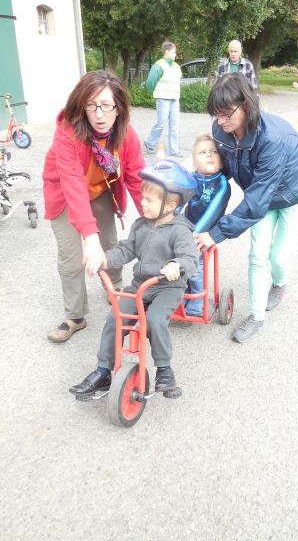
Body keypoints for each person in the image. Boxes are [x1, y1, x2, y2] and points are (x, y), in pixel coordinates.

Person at [195, 73, 298, 343]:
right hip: (261, 194)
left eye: (227, 114)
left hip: (293, 193)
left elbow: (255, 203)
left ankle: (280, 283)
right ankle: (256, 315)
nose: (221, 121)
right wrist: (199, 185)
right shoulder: (222, 130)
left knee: (279, 258)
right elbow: (224, 167)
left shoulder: (273, 139)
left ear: (246, 105)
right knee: (257, 255)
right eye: (217, 115)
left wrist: (216, 233)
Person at [69, 160, 199, 397]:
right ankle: (103, 371)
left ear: (171, 205)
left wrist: (176, 265)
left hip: (167, 287)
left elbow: (190, 258)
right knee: (115, 318)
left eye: (149, 200)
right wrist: (105, 259)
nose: (142, 202)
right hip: (141, 285)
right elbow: (127, 249)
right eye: (142, 197)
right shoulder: (141, 225)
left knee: (155, 319)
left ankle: (164, 369)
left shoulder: (180, 230)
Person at [43, 69, 145, 343]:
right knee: (71, 254)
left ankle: (117, 292)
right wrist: (89, 237)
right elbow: (73, 184)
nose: (99, 114)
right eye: (92, 105)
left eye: (106, 105)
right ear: (82, 106)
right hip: (65, 191)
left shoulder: (126, 134)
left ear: (118, 107)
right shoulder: (67, 133)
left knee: (109, 243)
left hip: (99, 187)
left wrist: (154, 217)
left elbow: (137, 178)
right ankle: (75, 316)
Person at [184, 134, 231, 315]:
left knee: (196, 263)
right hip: (189, 227)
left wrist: (194, 235)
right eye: (203, 152)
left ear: (221, 161)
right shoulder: (190, 178)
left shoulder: (222, 184)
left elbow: (213, 212)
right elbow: (178, 201)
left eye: (214, 152)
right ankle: (181, 292)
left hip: (206, 232)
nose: (209, 155)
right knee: (172, 253)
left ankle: (197, 299)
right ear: (195, 162)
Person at [144, 41, 183, 157]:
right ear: (166, 52)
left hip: (175, 98)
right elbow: (150, 82)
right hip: (162, 98)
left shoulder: (176, 67)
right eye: (173, 52)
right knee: (161, 123)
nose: (175, 54)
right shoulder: (158, 65)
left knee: (174, 125)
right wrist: (152, 94)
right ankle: (150, 142)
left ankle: (174, 150)